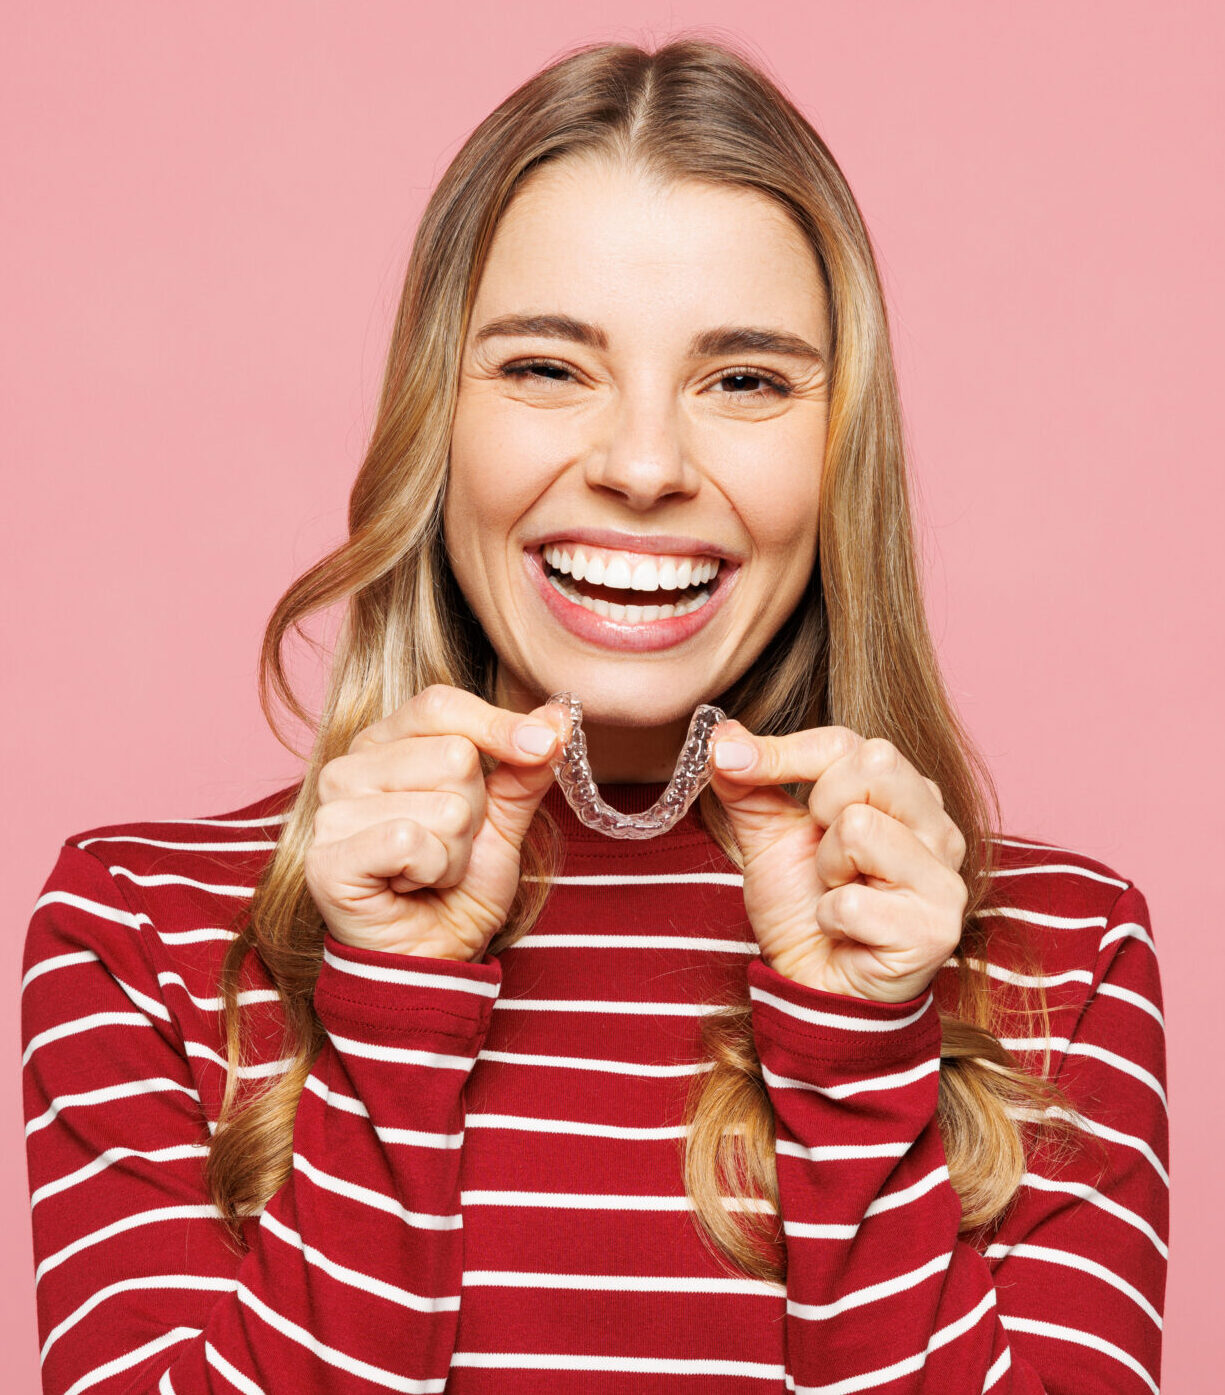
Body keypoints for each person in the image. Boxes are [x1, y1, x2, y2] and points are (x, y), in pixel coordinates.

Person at [21, 35, 1167, 1395]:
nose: (640, 466)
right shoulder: (136, 931)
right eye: (544, 368)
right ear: (430, 422)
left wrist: (857, 1047)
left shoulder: (1060, 961)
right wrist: (390, 1004)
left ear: (839, 445)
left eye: (743, 379)